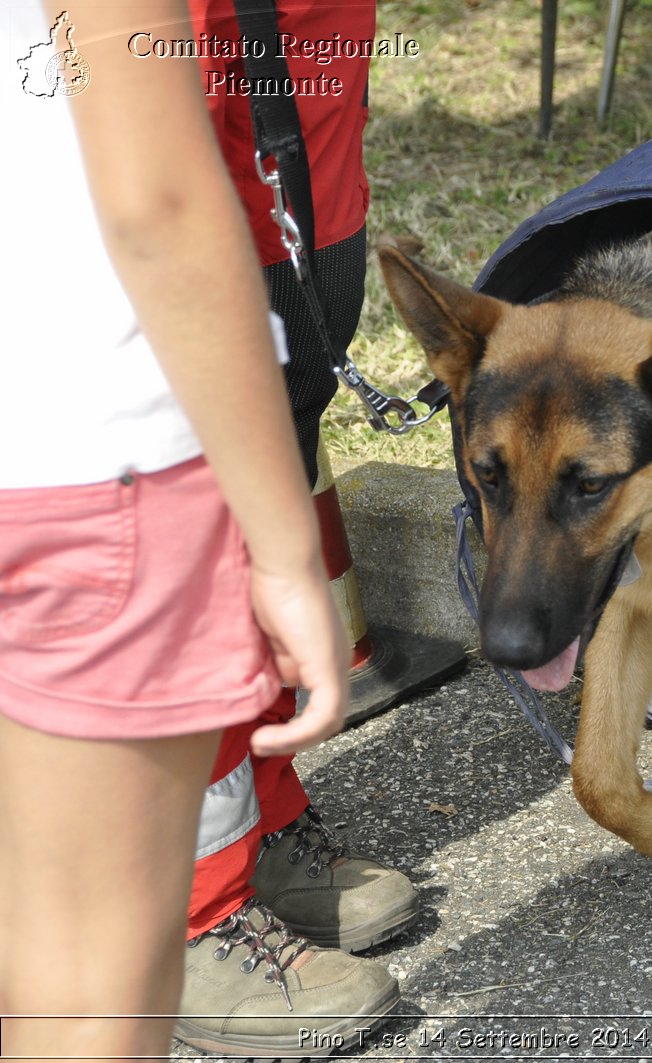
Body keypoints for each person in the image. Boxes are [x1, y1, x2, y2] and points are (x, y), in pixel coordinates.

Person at [0, 1, 377, 1057]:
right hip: (78, 454)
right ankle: (210, 902)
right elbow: (158, 203)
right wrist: (280, 544)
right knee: (81, 990)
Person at [171, 0, 423, 1053]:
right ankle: (175, 907)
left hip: (287, 79)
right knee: (173, 512)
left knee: (276, 417)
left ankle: (256, 813)